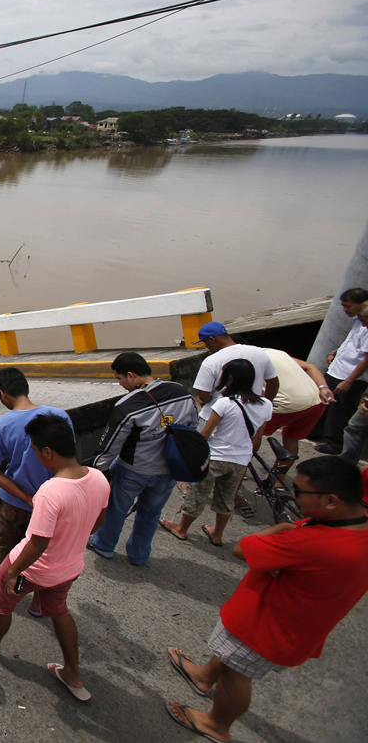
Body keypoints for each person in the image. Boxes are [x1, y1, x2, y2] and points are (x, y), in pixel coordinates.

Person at [164, 456, 368, 743]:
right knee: (231, 655)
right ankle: (204, 676)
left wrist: (282, 530)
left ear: (331, 501)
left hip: (265, 626)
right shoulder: (358, 531)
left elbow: (243, 549)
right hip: (298, 624)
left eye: (299, 492)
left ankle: (216, 724)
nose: (292, 497)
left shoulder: (312, 543)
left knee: (237, 672)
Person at [0, 414, 109, 702]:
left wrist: (14, 571)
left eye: (34, 449)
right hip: (68, 568)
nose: (34, 455)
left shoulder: (50, 492)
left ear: (48, 452)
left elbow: (38, 542)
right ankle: (73, 674)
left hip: (31, 569)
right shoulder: (99, 478)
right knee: (60, 611)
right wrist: (74, 539)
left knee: (0, 603)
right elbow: (99, 520)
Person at [89, 352, 199, 565]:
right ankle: (139, 555)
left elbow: (110, 447)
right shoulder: (182, 393)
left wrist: (98, 471)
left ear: (131, 375)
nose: (120, 384)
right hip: (169, 470)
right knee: (151, 513)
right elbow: (193, 428)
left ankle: (104, 545)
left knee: (116, 510)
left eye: (119, 378)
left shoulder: (128, 406)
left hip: (133, 469)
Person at [0, 367, 72, 615]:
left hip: (14, 503)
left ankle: (2, 594)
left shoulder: (1, 425)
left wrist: (26, 498)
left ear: (3, 394)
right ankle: (37, 603)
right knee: (44, 553)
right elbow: (69, 460)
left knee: (4, 550)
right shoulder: (59, 417)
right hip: (53, 502)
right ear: (26, 388)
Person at [163, 360, 273, 546]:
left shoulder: (225, 403)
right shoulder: (266, 405)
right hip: (240, 460)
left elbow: (205, 434)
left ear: (229, 379)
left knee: (197, 495)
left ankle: (181, 529)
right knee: (226, 498)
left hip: (215, 457)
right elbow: (257, 437)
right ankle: (217, 534)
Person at [192, 322, 279, 421]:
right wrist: (266, 402)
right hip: (251, 416)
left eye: (205, 342)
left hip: (217, 417)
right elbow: (273, 382)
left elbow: (204, 396)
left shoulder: (210, 361)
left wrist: (207, 399)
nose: (206, 346)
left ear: (212, 339)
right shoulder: (259, 353)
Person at [258, 347, 333, 458]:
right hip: (316, 400)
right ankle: (279, 475)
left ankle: (240, 473)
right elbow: (310, 366)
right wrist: (323, 387)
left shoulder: (249, 358)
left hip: (290, 403)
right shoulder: (275, 352)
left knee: (250, 434)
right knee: (291, 438)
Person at [318, 293, 368, 453]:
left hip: (350, 374)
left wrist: (349, 380)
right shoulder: (358, 321)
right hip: (337, 369)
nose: (344, 309)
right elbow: (352, 342)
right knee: (325, 403)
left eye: (348, 305)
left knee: (340, 410)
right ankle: (318, 433)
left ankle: (335, 444)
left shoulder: (366, 325)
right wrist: (336, 351)